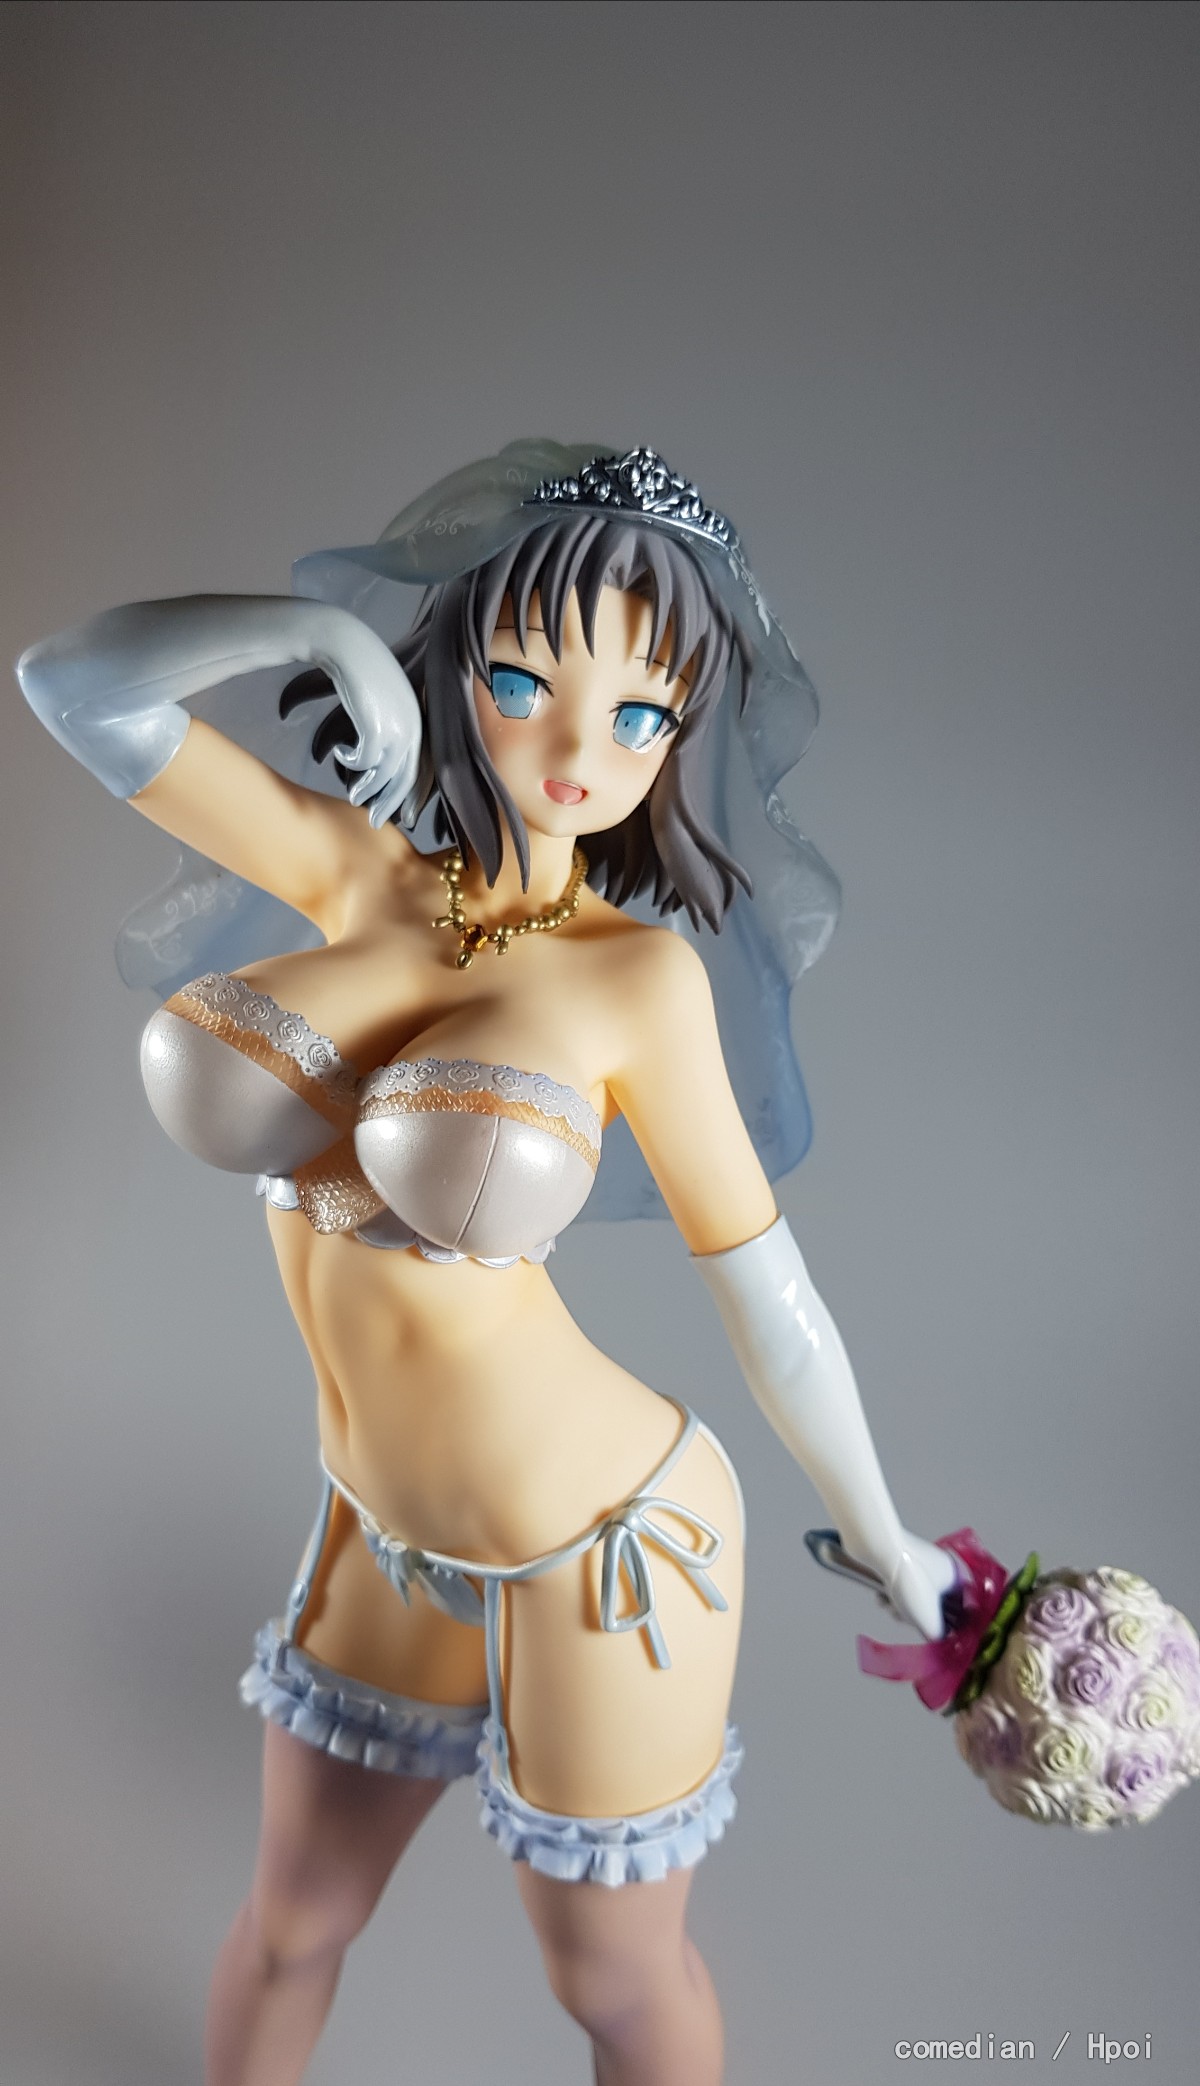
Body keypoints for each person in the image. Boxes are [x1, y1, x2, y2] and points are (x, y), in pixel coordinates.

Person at [17, 442, 957, 2086]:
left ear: (681, 739)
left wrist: (885, 1534)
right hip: (383, 1524)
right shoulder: (352, 870)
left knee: (614, 1978)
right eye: (527, 682)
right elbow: (69, 681)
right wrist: (318, 634)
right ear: (452, 666)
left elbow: (771, 1291)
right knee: (291, 1922)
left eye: (641, 716)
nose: (579, 753)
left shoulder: (637, 982)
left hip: (610, 1539)